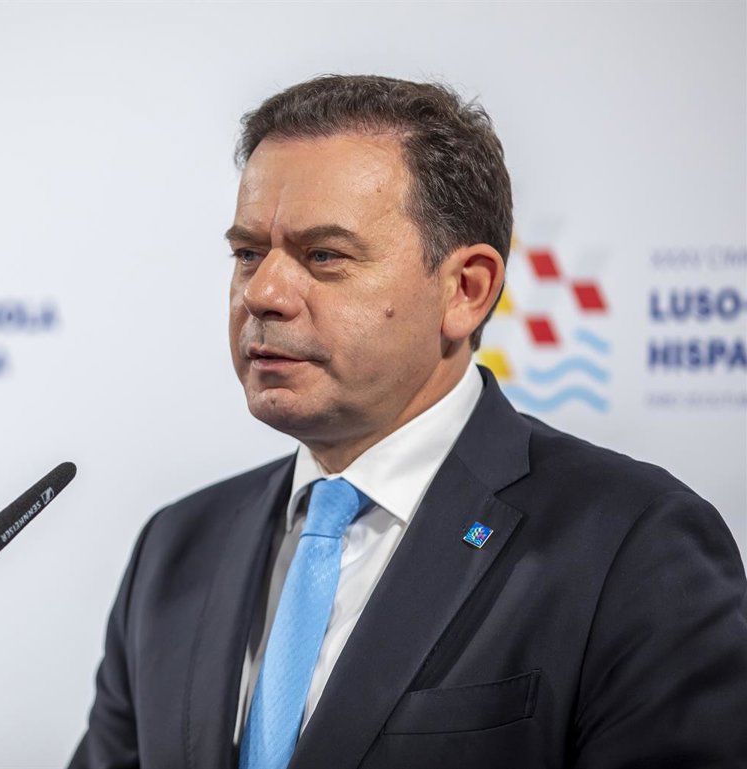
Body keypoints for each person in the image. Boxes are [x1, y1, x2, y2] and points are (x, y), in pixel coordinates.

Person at [67, 75, 747, 769]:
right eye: (248, 253)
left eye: (323, 255)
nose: (263, 292)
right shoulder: (177, 548)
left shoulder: (630, 546)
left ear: (466, 290)